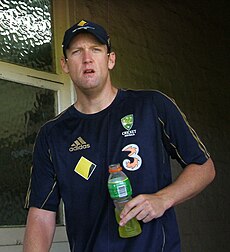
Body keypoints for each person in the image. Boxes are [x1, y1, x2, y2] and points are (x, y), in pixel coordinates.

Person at [23, 19, 216, 252]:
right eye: (77, 52)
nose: (87, 58)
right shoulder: (52, 135)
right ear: (64, 64)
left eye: (96, 49)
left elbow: (204, 167)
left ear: (110, 59)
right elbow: (41, 215)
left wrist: (164, 199)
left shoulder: (152, 106)